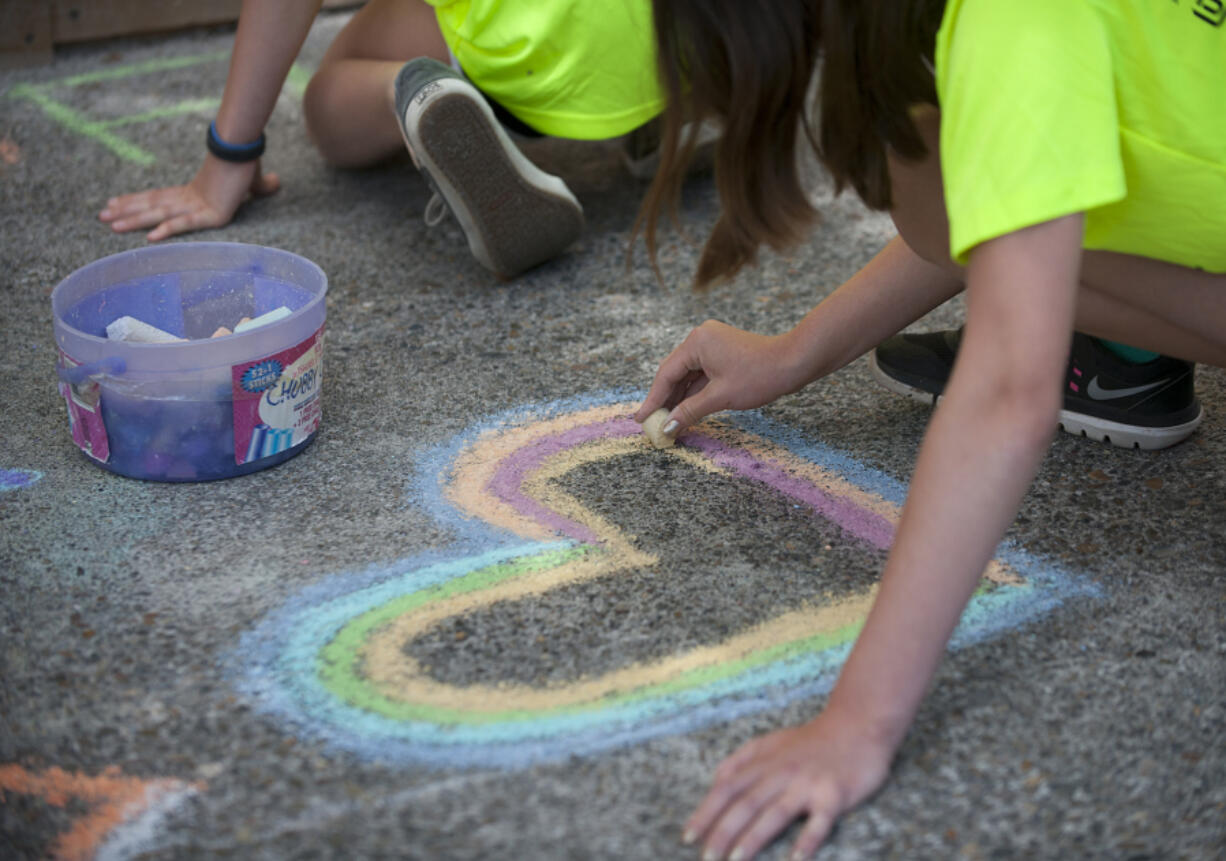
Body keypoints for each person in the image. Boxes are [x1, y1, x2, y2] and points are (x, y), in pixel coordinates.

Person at [633, 1, 1225, 858]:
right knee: (999, 220)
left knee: (997, 247)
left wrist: (855, 724)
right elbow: (989, 191)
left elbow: (1006, 391)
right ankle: (1127, 351)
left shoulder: (1010, 23)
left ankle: (1122, 353)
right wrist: (793, 354)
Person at [97, 0, 666, 279]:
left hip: (523, 53)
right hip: (693, 35)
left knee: (329, 103)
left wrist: (230, 155)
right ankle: (687, 111)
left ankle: (422, 92)